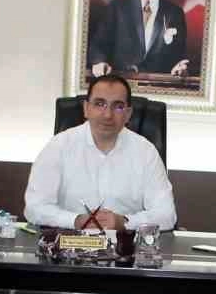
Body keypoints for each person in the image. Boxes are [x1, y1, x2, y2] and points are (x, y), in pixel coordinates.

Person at [24, 72, 177, 232]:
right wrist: (75, 220)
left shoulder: (146, 152)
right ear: (86, 108)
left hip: (127, 243)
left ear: (128, 114)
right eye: (99, 104)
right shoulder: (58, 147)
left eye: (118, 106)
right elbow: (34, 208)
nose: (108, 115)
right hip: (69, 242)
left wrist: (125, 222)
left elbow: (166, 215)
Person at [87, 0, 191, 77]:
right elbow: (99, 44)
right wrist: (99, 61)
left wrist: (180, 67)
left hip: (156, 82)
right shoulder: (118, 7)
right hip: (120, 79)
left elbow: (179, 54)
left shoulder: (174, 13)